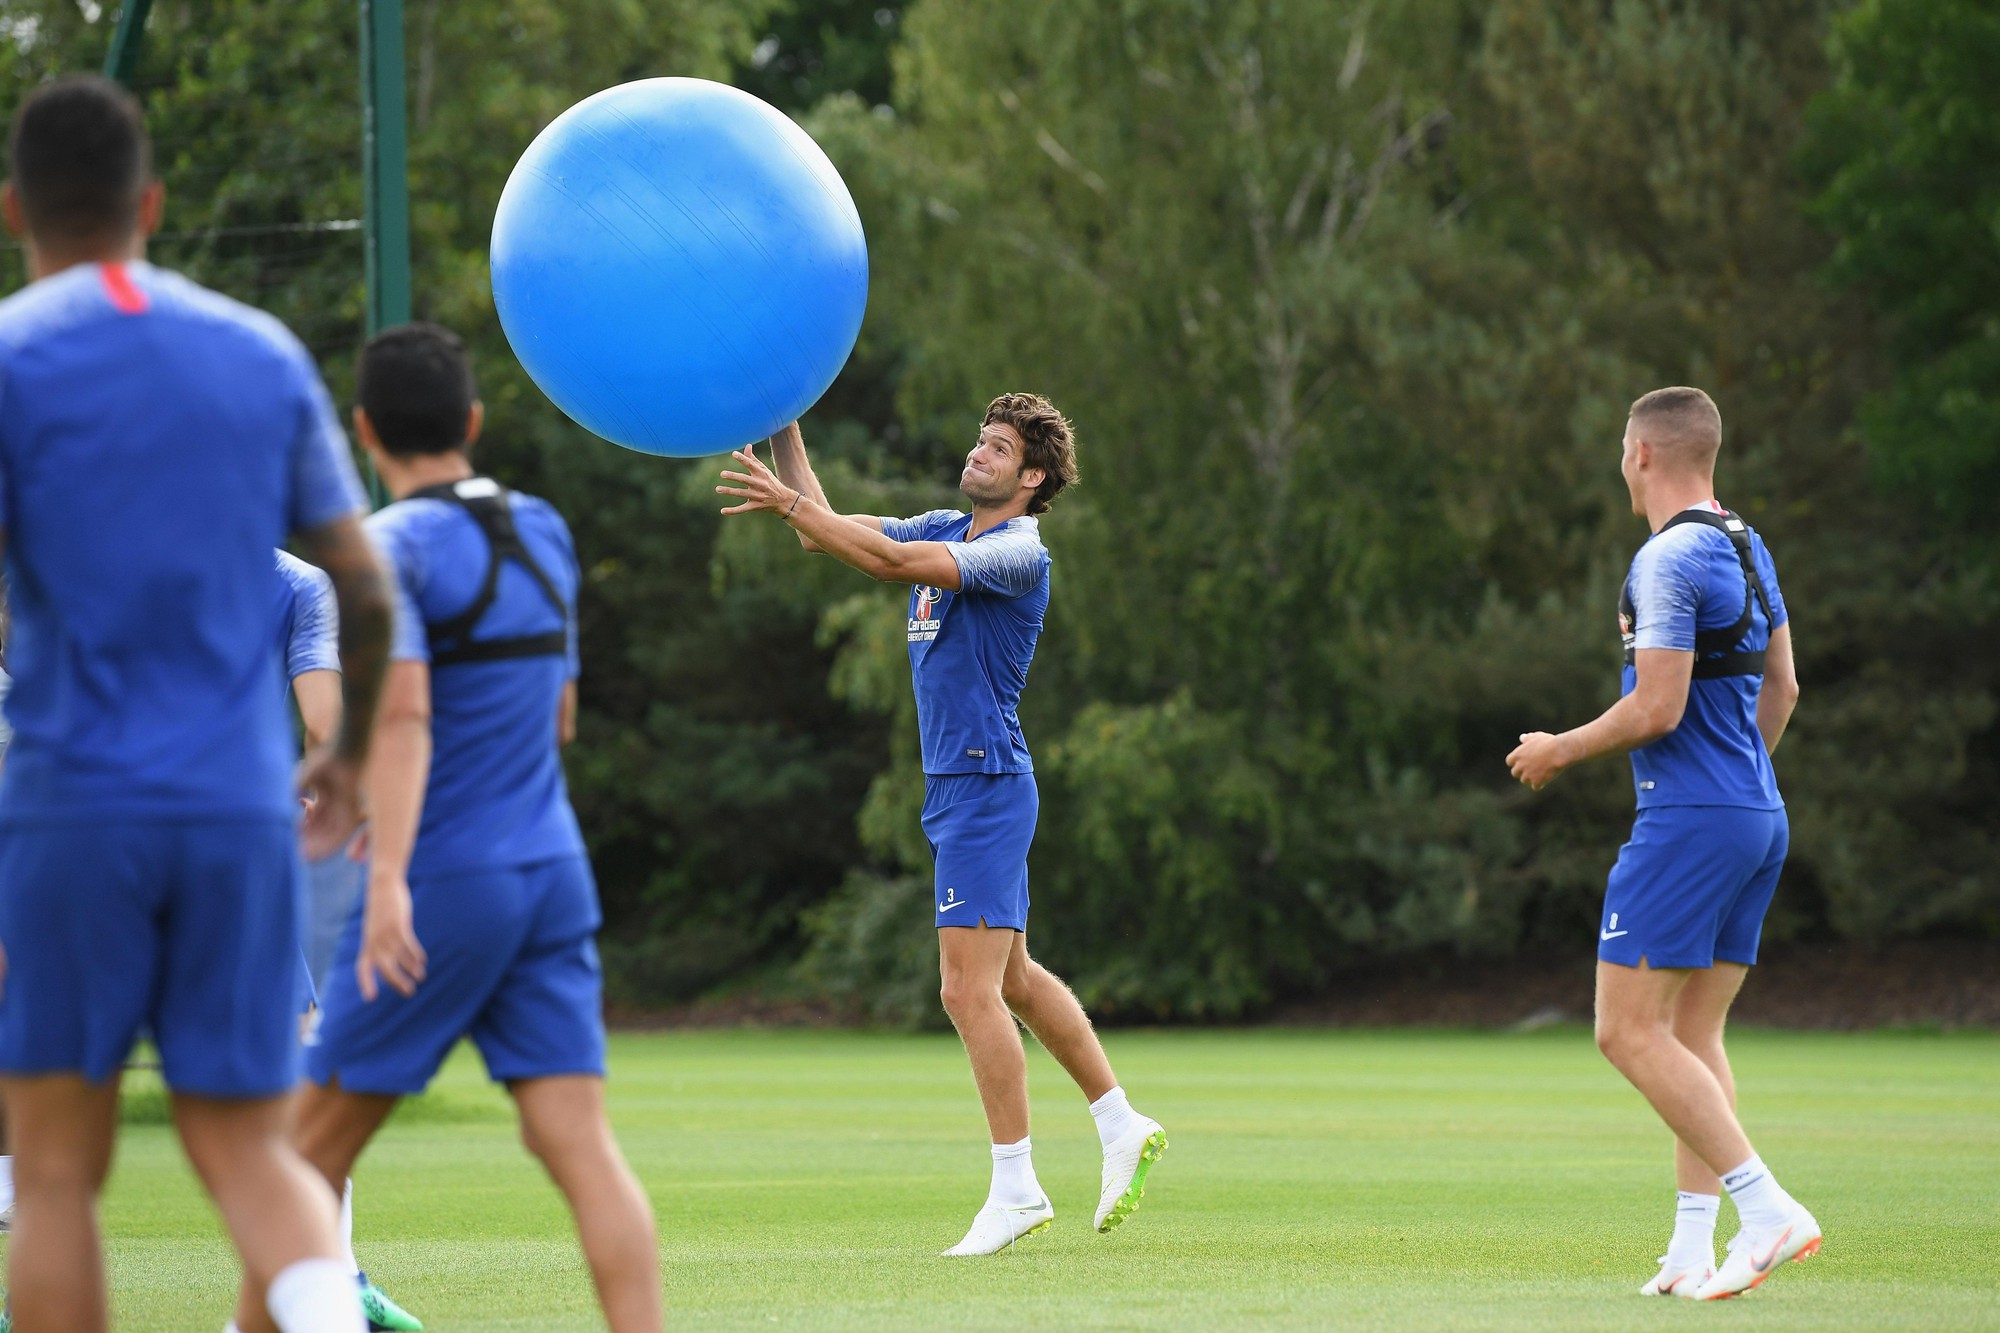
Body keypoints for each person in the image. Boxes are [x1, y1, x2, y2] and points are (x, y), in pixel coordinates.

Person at [0, 75, 391, 1333]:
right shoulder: (257, 351)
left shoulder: (10, 358)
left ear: (16, 211)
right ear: (152, 204)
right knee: (252, 1153)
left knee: (55, 1173)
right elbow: (366, 588)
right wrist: (346, 759)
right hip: (234, 816)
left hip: (71, 813)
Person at [716, 398, 1168, 1257]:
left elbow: (884, 560)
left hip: (986, 783)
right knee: (1018, 981)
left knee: (966, 990)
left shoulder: (1014, 550)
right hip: (964, 787)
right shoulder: (949, 523)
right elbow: (827, 534)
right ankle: (1120, 1123)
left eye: (998, 448)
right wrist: (787, 419)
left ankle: (1017, 1185)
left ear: (1032, 477)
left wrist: (789, 504)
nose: (979, 452)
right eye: (980, 440)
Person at [288, 323, 662, 1331]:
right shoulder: (542, 526)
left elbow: (404, 714)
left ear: (363, 431)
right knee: (577, 1146)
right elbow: (558, 714)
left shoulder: (382, 547)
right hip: (552, 870)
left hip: (447, 877)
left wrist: (390, 877)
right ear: (474, 421)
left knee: (301, 1160)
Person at [1506, 386, 1818, 1300]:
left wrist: (1560, 747)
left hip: (1691, 823)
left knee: (1624, 1030)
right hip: (1757, 815)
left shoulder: (1665, 557)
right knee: (1692, 1030)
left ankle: (1765, 1207)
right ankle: (1690, 1246)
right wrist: (1738, 783)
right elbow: (1786, 687)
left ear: (1641, 454)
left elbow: (1659, 705)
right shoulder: (1746, 543)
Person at [274, 552, 424, 1333]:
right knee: (311, 1069)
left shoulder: (110, 561)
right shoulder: (295, 582)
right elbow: (325, 721)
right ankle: (339, 1286)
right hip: (230, 847)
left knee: (57, 1090)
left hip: (83, 838)